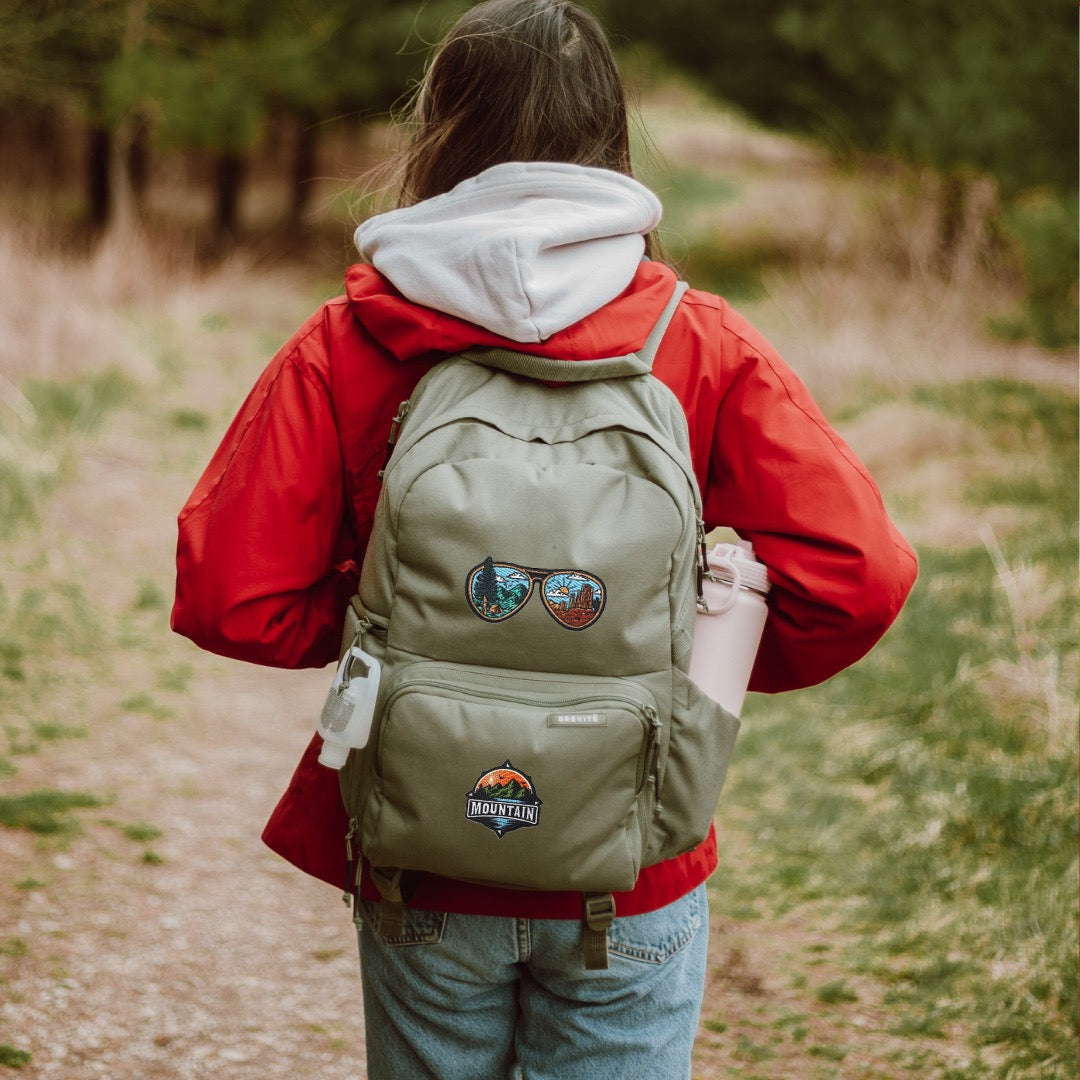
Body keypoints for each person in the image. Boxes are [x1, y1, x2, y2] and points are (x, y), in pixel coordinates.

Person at [171, 1, 918, 1076]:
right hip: (634, 868)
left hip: (426, 868)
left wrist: (394, 626)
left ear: (441, 131)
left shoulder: (353, 339)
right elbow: (861, 575)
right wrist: (674, 672)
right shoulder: (695, 339)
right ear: (613, 142)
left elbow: (229, 595)